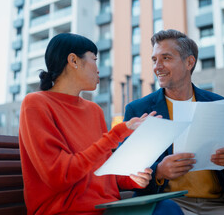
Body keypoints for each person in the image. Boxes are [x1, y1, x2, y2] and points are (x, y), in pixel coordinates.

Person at [19, 33, 183, 215]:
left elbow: (102, 174)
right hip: (66, 211)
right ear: (73, 60)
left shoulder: (94, 110)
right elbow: (60, 176)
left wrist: (132, 178)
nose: (98, 69)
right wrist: (117, 133)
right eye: (94, 59)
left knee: (168, 207)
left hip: (107, 208)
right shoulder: (35, 104)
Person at [123, 29, 224, 215]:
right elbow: (127, 169)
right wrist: (158, 171)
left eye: (166, 58)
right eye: (154, 59)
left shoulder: (216, 103)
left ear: (189, 62)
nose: (157, 66)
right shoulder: (138, 109)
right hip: (167, 202)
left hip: (218, 203)